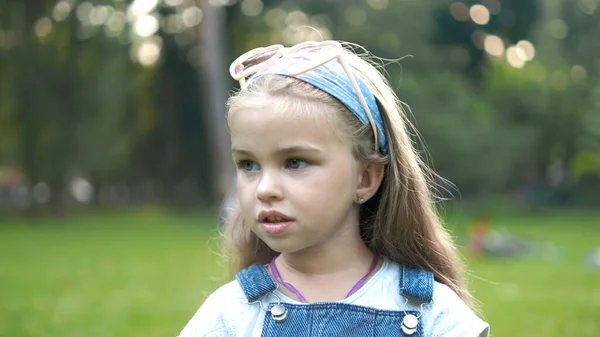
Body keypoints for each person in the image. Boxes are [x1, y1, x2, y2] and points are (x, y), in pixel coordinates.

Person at [178, 40, 490, 336]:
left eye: (295, 162)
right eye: (248, 164)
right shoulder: (230, 316)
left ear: (365, 178)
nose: (264, 188)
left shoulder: (431, 313)